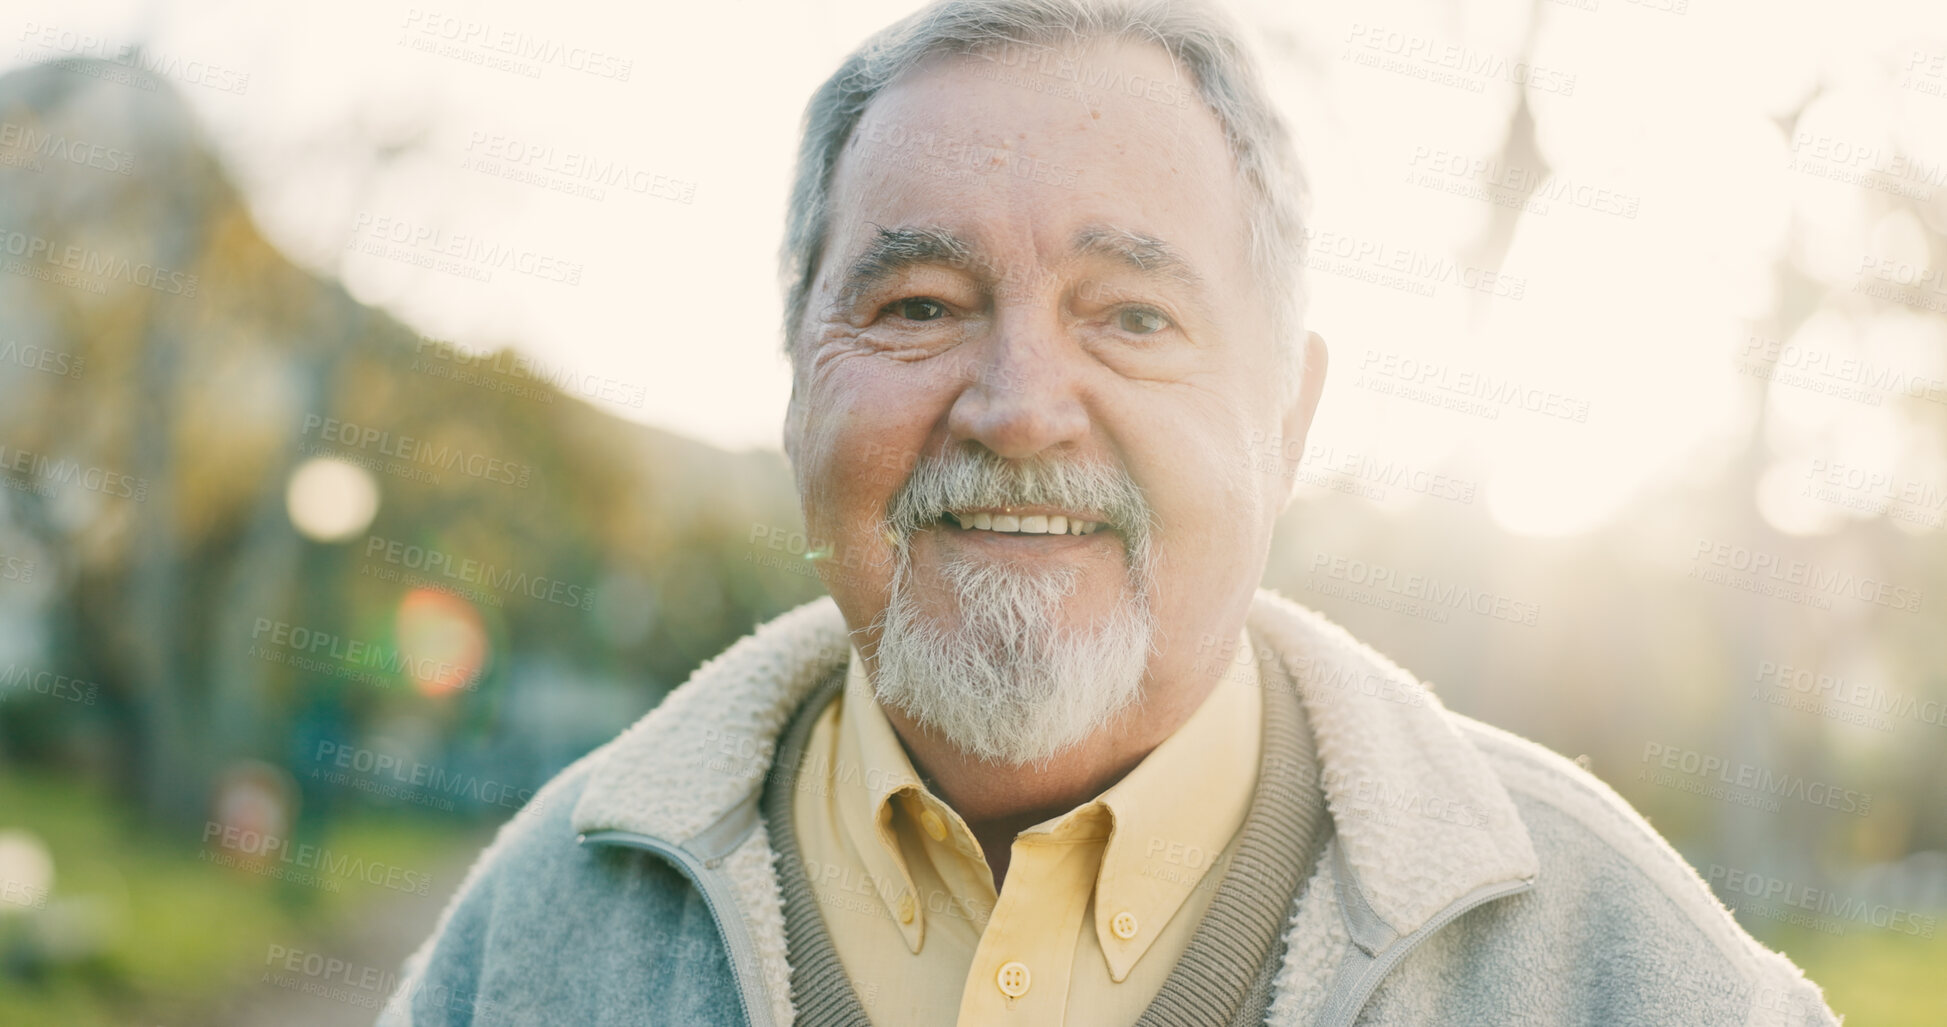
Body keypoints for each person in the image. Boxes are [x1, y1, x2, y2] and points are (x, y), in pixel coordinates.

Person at [379, 1, 1839, 1024]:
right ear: (796, 391)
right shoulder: (539, 933)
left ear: (1287, 420)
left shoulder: (1619, 969)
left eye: (1131, 315)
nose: (1018, 406)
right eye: (919, 305)